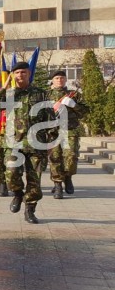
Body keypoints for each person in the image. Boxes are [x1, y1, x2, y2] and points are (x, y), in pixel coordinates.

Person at [0, 62, 57, 224]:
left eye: (23, 72)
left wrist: (52, 141)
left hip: (36, 143)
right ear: (13, 75)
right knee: (11, 173)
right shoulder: (9, 94)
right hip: (14, 142)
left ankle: (30, 209)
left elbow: (50, 118)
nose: (20, 75)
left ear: (29, 73)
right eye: (17, 73)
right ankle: (17, 193)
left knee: (34, 179)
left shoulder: (41, 94)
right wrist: (5, 86)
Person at [47, 70, 87, 198]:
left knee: (71, 157)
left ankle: (68, 176)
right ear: (52, 80)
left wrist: (74, 105)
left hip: (70, 130)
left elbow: (85, 112)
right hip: (52, 132)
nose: (60, 80)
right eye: (57, 78)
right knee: (55, 158)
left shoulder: (74, 95)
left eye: (62, 78)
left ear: (65, 80)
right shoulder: (45, 95)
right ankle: (58, 185)